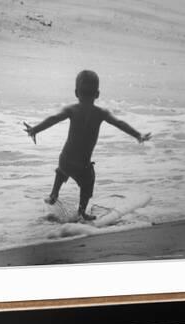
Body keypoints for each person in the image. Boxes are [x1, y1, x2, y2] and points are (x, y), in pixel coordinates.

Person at [23, 70, 151, 221]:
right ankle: (82, 212)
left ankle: (53, 194)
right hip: (82, 164)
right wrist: (137, 135)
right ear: (97, 94)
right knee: (88, 183)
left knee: (62, 171)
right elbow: (119, 123)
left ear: (76, 93)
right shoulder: (101, 113)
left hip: (66, 158)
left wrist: (35, 129)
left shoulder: (71, 109)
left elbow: (53, 119)